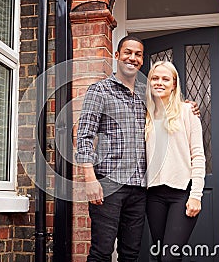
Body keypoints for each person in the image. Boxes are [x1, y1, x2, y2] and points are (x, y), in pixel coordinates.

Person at [76, 36, 199, 261]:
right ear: (117, 55)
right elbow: (84, 135)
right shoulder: (100, 91)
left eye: (138, 54)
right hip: (108, 185)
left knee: (130, 254)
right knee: (101, 251)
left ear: (142, 60)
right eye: (127, 52)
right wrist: (89, 177)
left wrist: (187, 106)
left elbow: (169, 103)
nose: (132, 58)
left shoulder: (146, 95)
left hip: (140, 188)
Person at [145, 61, 205, 262]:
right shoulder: (145, 115)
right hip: (153, 195)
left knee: (170, 257)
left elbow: (197, 155)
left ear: (174, 83)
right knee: (159, 256)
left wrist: (196, 195)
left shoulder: (187, 112)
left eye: (165, 78)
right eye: (155, 78)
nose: (159, 82)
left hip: (182, 194)